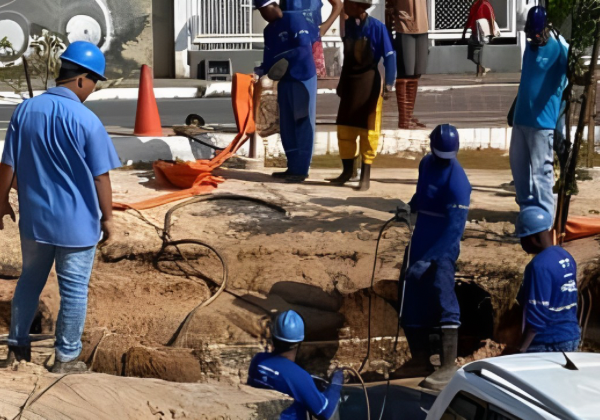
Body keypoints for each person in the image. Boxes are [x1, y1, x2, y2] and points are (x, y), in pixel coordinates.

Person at [0, 41, 121, 373]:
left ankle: (17, 349)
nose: (93, 90)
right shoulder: (87, 121)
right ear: (82, 79)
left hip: (35, 222)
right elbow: (101, 178)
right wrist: (108, 219)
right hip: (77, 225)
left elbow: (7, 165)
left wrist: (1, 202)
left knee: (29, 281)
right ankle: (66, 358)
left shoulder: (25, 111)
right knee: (74, 290)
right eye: (94, 82)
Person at [400, 124, 471, 391]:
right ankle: (420, 358)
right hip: (421, 238)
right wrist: (409, 206)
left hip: (442, 245)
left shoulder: (459, 183)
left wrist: (429, 260)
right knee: (411, 293)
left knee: (442, 293)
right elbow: (422, 194)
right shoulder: (426, 165)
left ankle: (448, 364)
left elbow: (454, 231)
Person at [328, 0, 396, 191]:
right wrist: (341, 82)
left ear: (358, 6)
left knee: (369, 131)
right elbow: (348, 59)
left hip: (369, 83)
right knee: (345, 128)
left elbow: (390, 56)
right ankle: (347, 171)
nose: (345, 6)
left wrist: (389, 84)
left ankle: (365, 176)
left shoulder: (377, 27)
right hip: (350, 82)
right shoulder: (348, 25)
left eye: (348, 3)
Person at [510, 6, 568, 221]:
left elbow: (568, 82)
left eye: (536, 34)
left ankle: (547, 219)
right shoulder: (530, 47)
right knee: (519, 171)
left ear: (545, 28)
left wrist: (560, 121)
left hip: (543, 123)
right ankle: (528, 214)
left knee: (541, 173)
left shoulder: (560, 49)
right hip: (521, 119)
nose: (533, 38)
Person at [255, 0, 318, 183]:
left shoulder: (294, 19)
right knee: (287, 123)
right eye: (259, 12)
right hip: (284, 80)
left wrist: (283, 60)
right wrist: (259, 72)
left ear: (274, 5)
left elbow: (303, 48)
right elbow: (267, 59)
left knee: (302, 121)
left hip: (301, 77)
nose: (263, 15)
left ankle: (302, 169)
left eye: (264, 10)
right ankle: (292, 166)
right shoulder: (269, 30)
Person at [248, 310, 343, 419]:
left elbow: (279, 377)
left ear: (273, 337)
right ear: (299, 343)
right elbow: (326, 412)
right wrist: (337, 380)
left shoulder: (258, 360)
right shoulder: (299, 377)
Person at [515, 207, 581, 353]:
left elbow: (537, 314)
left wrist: (521, 349)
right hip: (571, 335)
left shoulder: (538, 266)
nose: (521, 244)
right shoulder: (565, 256)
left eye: (522, 238)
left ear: (533, 238)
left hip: (548, 342)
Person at [386, 0, 429, 129]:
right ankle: (404, 118)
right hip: (404, 25)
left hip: (422, 25)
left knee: (417, 72)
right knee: (405, 72)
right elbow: (389, 6)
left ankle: (409, 115)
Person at [280, 0, 343, 78]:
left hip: (311, 42)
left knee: (310, 81)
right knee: (284, 81)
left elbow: (338, 5)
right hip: (288, 42)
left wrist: (323, 28)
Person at [461, 0, 498, 77]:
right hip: (474, 32)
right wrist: (464, 31)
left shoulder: (486, 4)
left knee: (478, 52)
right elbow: (470, 18)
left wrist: (492, 33)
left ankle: (479, 71)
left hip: (482, 33)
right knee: (471, 55)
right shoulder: (475, 4)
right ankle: (482, 68)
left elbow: (491, 19)